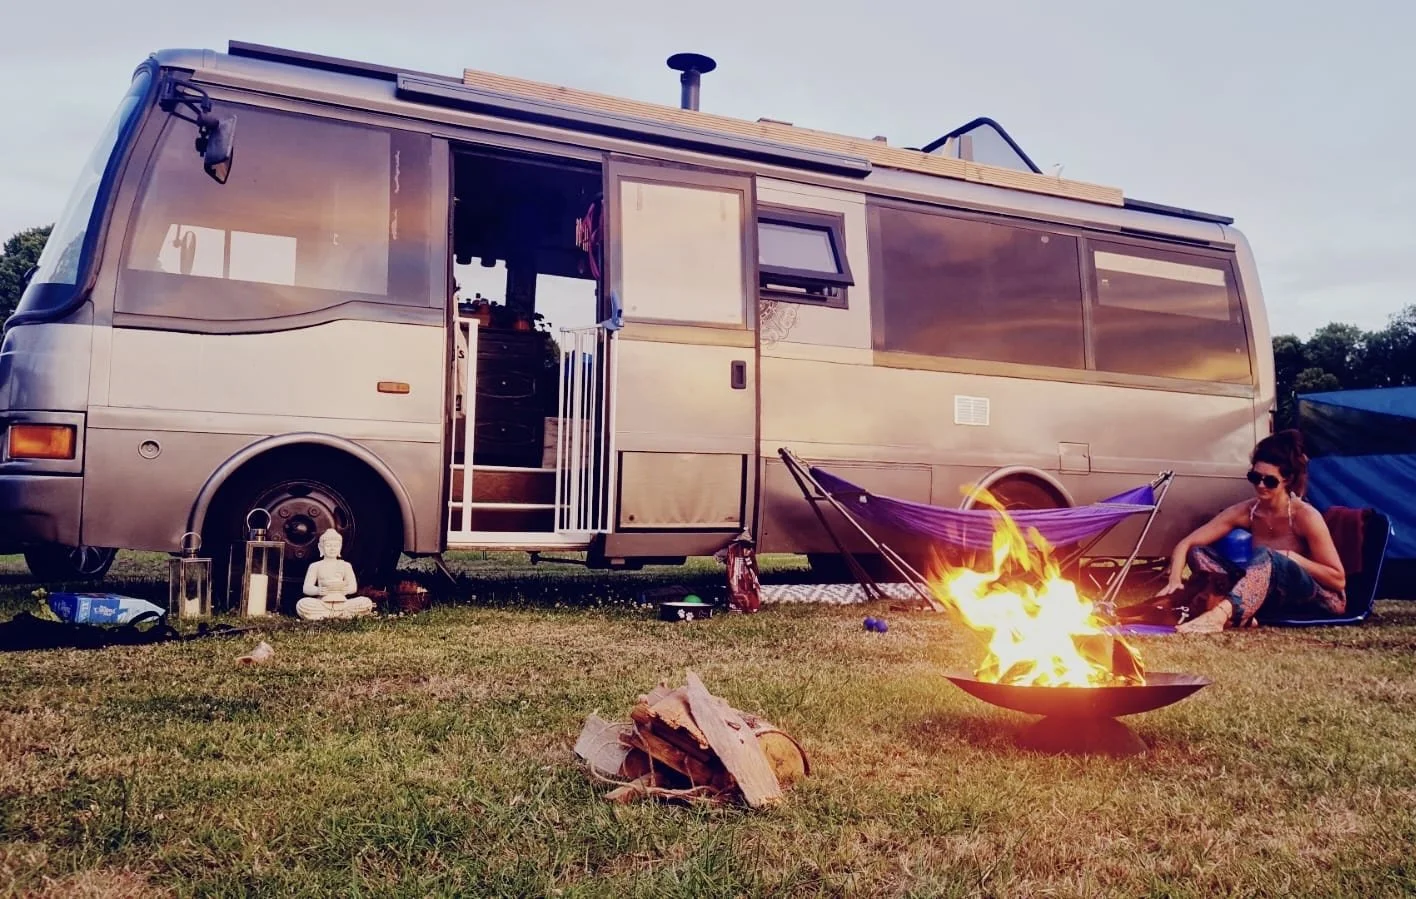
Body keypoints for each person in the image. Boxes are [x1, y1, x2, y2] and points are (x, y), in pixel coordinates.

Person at [1155, 430, 1346, 633]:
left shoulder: (1305, 515)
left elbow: (1337, 579)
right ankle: (1239, 613)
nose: (1261, 485)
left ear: (1287, 480)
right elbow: (1186, 544)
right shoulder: (1247, 511)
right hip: (1270, 596)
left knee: (1267, 556)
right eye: (1255, 477)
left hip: (1321, 599)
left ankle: (1218, 616)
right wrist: (1175, 580)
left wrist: (1291, 558)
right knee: (1199, 552)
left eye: (1270, 481)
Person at [296, 529, 376, 621]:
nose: (332, 549)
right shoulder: (315, 566)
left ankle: (325, 616)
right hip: (322, 602)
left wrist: (345, 590)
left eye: (336, 546)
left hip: (343, 603)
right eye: (329, 546)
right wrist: (318, 590)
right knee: (302, 604)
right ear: (321, 547)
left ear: (340, 547)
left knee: (366, 602)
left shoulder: (345, 565)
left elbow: (353, 587)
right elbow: (306, 588)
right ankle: (342, 615)